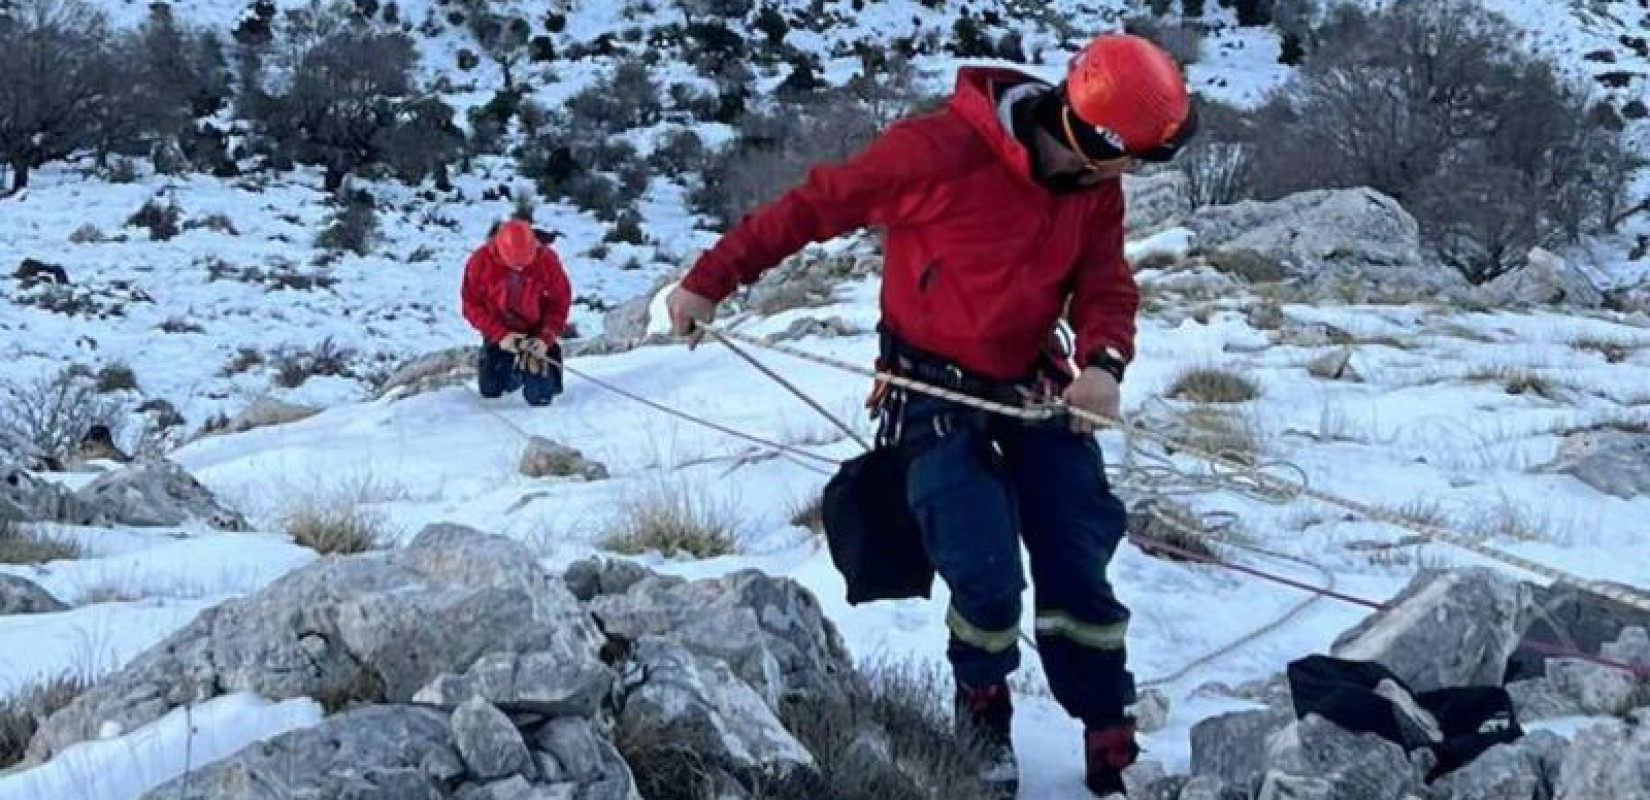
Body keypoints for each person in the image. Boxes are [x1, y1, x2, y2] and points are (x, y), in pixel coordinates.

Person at [666, 33, 1197, 798]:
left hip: (1032, 384)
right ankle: (982, 704)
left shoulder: (1093, 189)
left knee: (1076, 544)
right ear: (1090, 138)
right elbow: (814, 205)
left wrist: (1104, 363)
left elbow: (1105, 282)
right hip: (931, 390)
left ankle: (1104, 716)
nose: (1133, 174)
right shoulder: (940, 152)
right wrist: (711, 281)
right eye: (1132, 156)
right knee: (982, 569)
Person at [461, 219, 572, 407]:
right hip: (501, 331)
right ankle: (507, 367)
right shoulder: (480, 263)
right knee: (492, 390)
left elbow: (559, 302)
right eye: (514, 265)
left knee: (542, 396)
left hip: (537, 330)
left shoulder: (547, 261)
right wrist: (499, 335)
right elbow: (471, 306)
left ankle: (546, 363)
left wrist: (545, 337)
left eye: (524, 264)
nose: (520, 269)